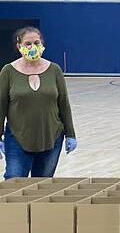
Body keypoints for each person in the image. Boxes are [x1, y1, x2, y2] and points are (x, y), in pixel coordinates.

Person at [0, 27, 77, 178]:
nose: (32, 47)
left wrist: (70, 134)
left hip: (51, 137)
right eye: (28, 43)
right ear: (19, 46)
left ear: (42, 44)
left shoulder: (54, 70)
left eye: (36, 42)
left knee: (42, 184)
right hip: (17, 137)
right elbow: (1, 107)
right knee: (13, 180)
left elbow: (64, 104)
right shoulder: (8, 71)